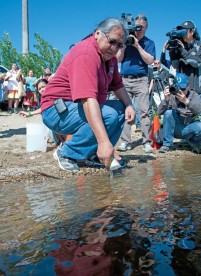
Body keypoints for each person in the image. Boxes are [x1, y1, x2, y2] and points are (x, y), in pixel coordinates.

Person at [41, 18, 135, 172]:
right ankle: (66, 153)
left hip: (76, 107)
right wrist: (104, 142)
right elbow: (88, 99)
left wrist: (130, 105)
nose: (114, 49)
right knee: (109, 115)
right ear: (97, 33)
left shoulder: (109, 58)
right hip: (55, 109)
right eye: (112, 42)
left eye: (119, 45)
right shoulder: (86, 53)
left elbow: (117, 84)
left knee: (120, 108)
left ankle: (93, 155)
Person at [116, 13, 155, 153]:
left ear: (146, 27)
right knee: (124, 110)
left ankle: (147, 142)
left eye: (142, 27)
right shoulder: (124, 41)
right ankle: (125, 141)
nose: (139, 30)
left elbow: (150, 61)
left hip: (142, 79)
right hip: (125, 79)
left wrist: (137, 46)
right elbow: (118, 59)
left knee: (144, 111)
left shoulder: (149, 43)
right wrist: (125, 45)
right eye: (137, 27)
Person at [158, 73, 201, 154]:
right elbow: (159, 112)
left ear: (188, 85)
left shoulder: (194, 95)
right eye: (179, 88)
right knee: (168, 112)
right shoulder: (172, 95)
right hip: (175, 128)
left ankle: (194, 143)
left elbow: (199, 110)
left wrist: (186, 102)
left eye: (183, 88)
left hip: (188, 128)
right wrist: (166, 100)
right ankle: (167, 145)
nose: (181, 91)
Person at [167, 20, 201, 106]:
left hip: (197, 91)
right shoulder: (181, 47)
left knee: (199, 117)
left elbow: (197, 62)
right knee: (182, 117)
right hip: (183, 90)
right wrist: (172, 51)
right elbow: (175, 65)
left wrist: (182, 51)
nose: (183, 33)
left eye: (185, 30)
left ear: (192, 31)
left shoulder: (200, 46)